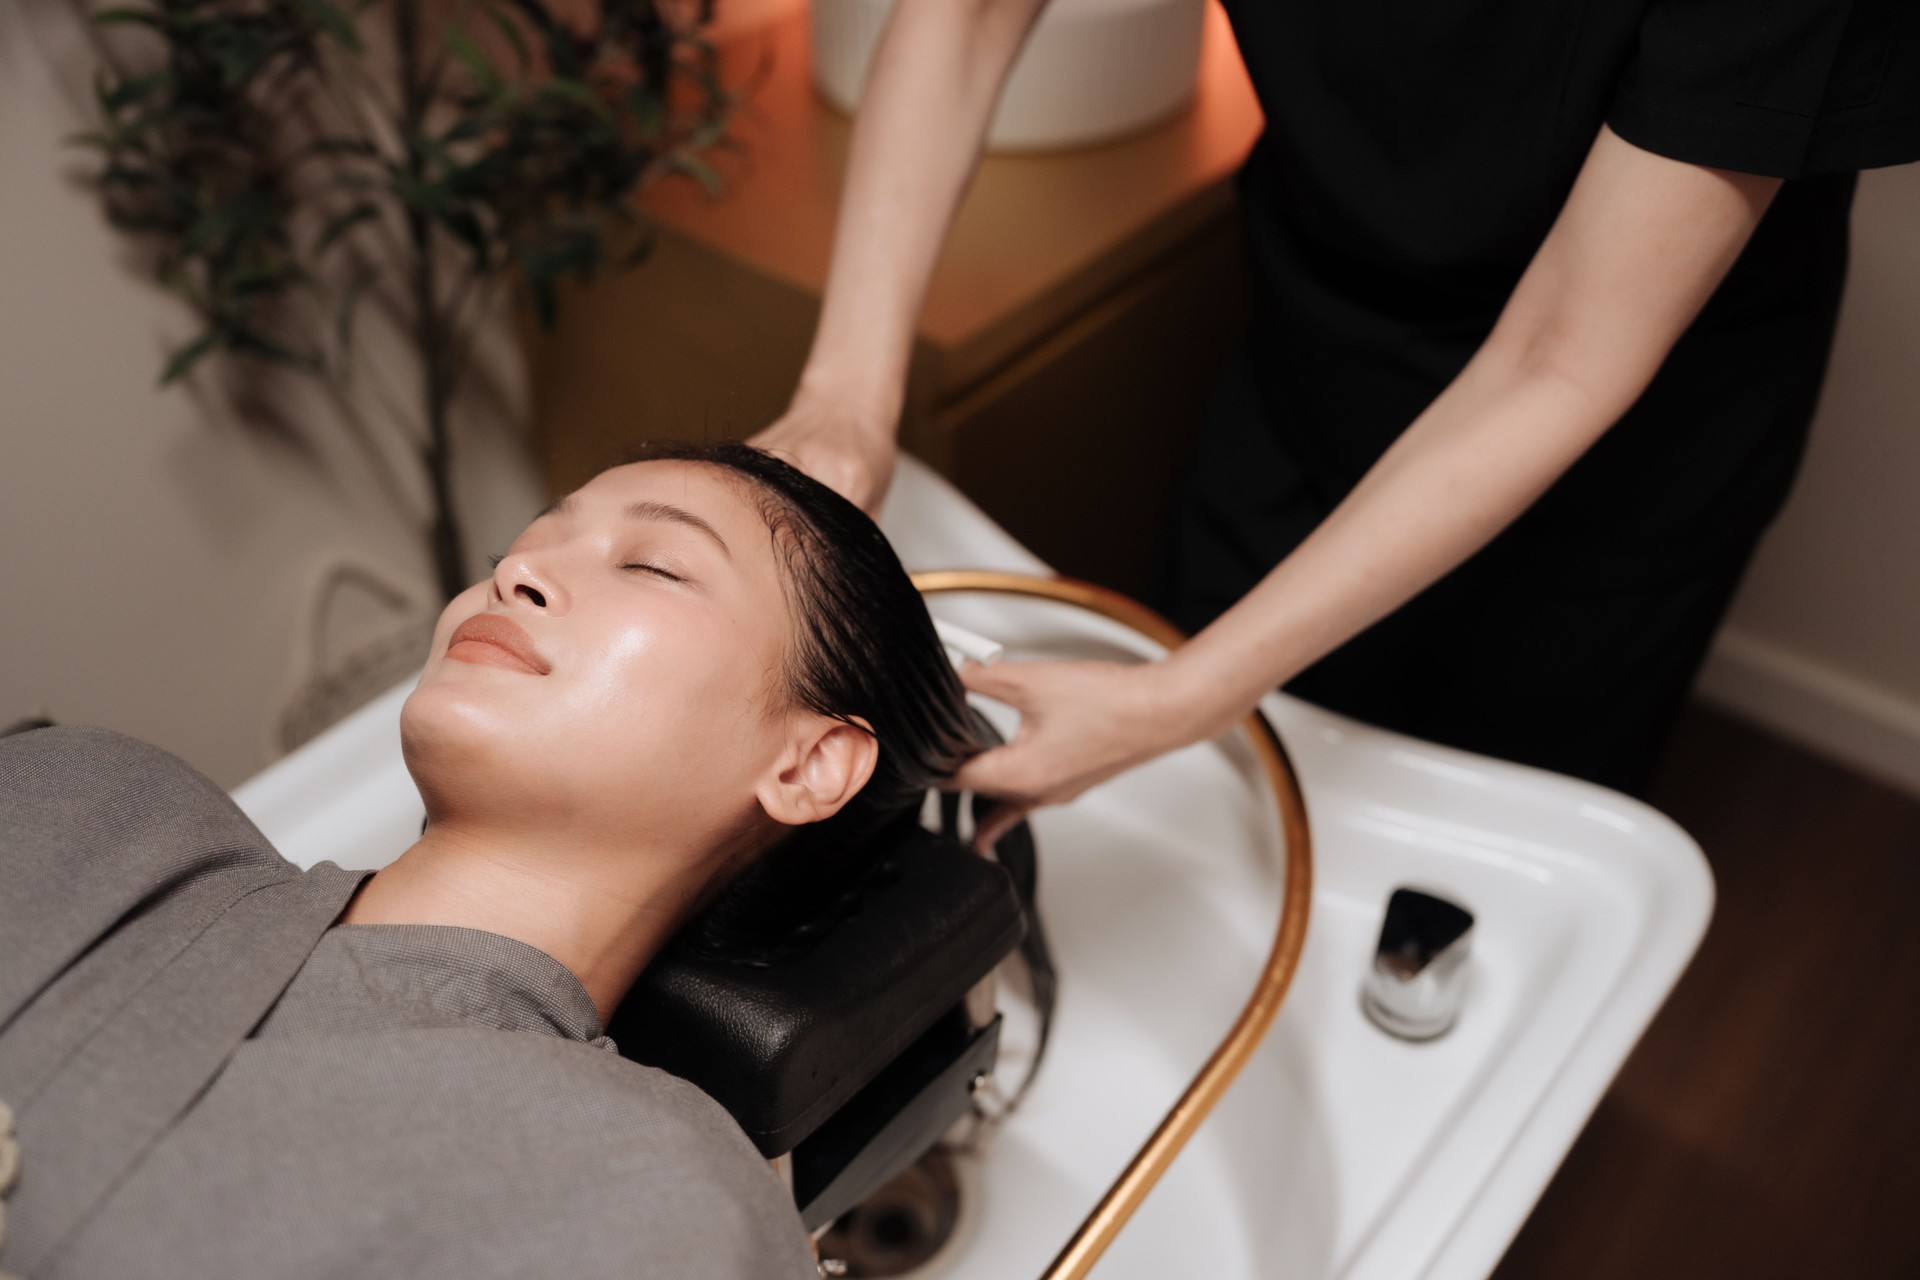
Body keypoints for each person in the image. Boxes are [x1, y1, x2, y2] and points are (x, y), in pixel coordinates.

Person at [752, 0, 1920, 805]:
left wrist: (1186, 695)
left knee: (1451, 859)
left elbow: (1561, 355)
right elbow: (966, 17)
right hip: (1320, 320)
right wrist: (848, 391)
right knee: (1210, 789)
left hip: (1623, 447)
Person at [0, 443, 984, 1280]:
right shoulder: (91, 790)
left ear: (809, 762)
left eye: (654, 565)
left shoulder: (660, 1208)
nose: (515, 573)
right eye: (515, 548)